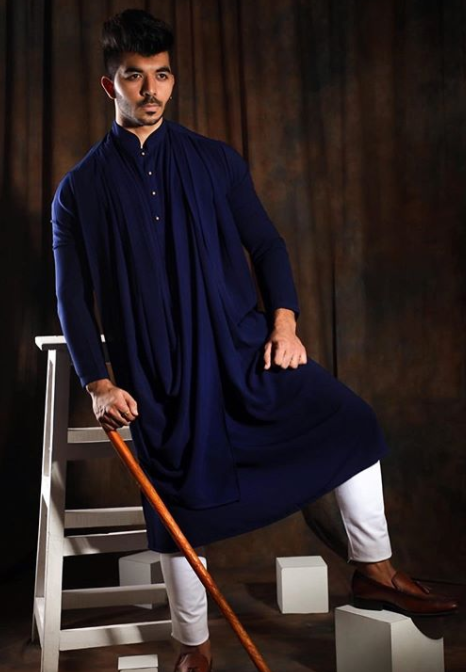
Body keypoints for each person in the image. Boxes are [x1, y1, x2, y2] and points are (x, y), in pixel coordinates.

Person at [51, 9, 458, 672]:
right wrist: (98, 382)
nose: (150, 89)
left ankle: (375, 570)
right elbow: (71, 297)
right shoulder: (79, 191)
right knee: (177, 511)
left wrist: (284, 323)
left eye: (161, 75)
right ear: (110, 85)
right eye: (134, 76)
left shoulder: (216, 160)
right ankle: (194, 648)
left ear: (173, 79)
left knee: (351, 421)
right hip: (159, 375)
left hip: (243, 353)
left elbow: (266, 244)